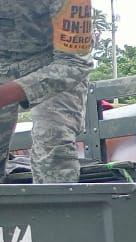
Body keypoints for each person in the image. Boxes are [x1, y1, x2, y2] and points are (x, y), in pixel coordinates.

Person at [0, 0, 94, 184]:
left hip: (54, 63)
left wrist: (6, 94)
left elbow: (75, 63)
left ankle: (59, 210)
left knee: (54, 142)